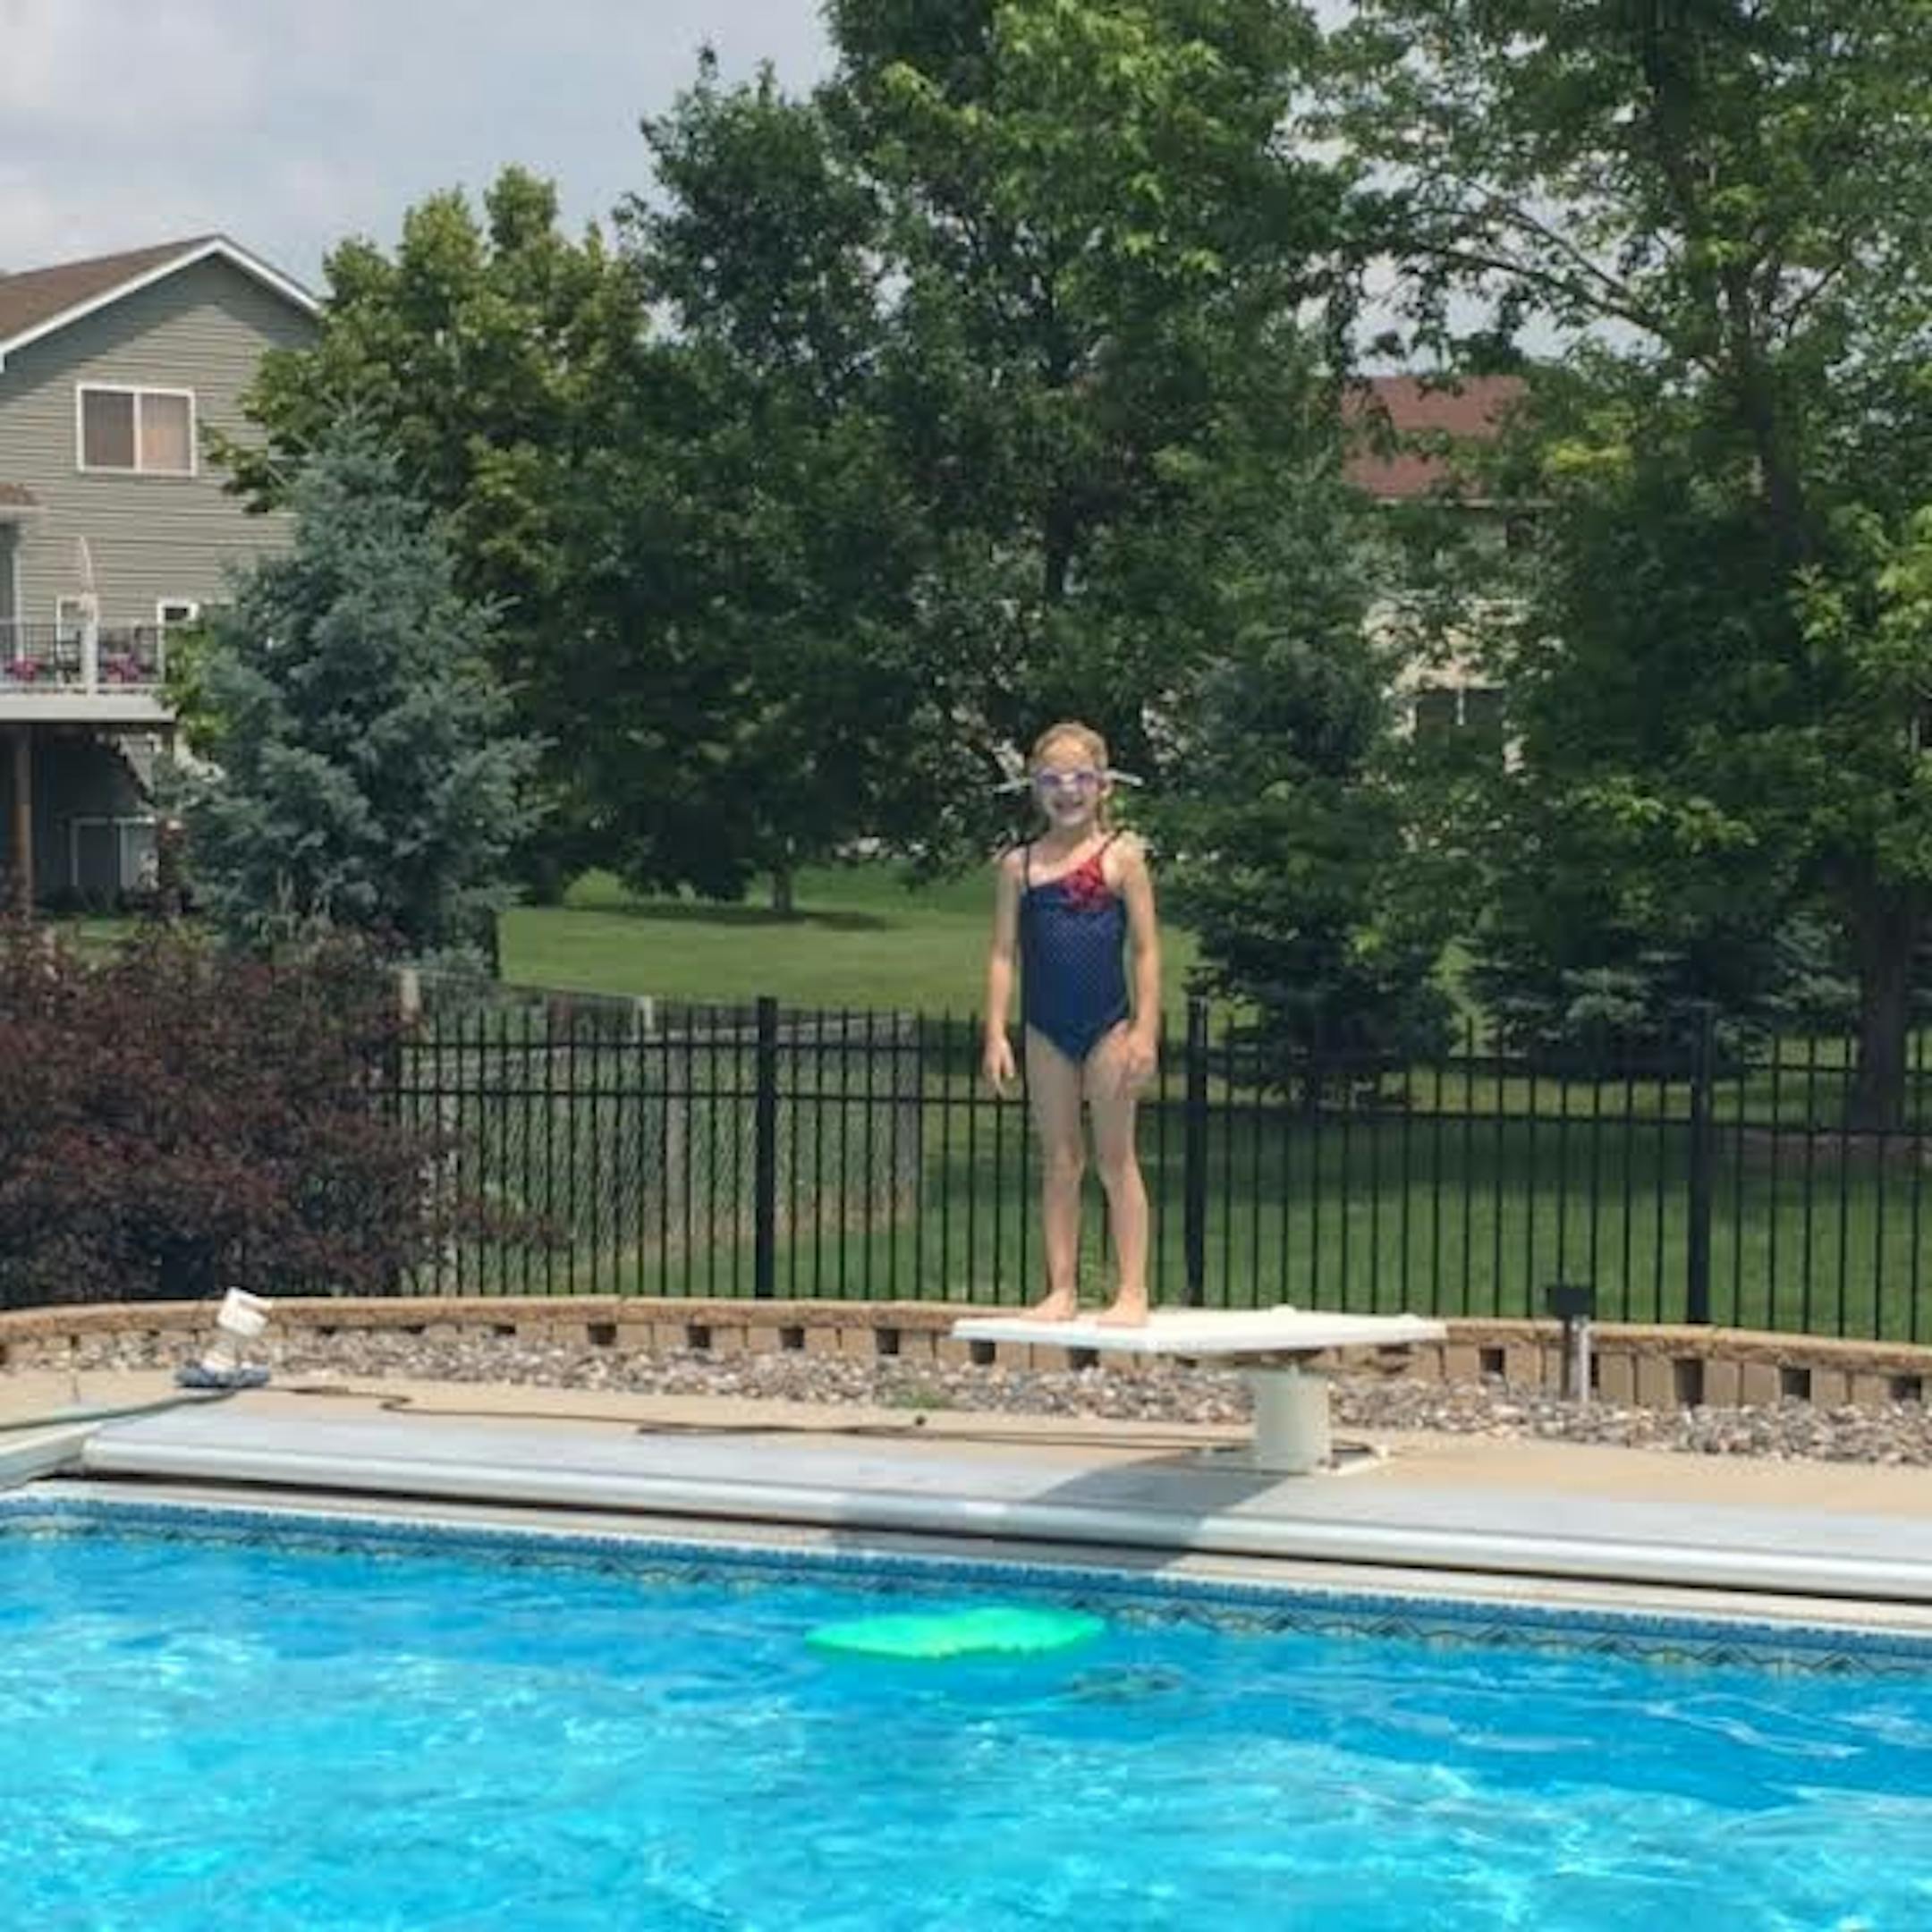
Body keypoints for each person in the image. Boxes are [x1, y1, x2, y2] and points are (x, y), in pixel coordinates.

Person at [982, 721, 1161, 1326]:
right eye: (1052, 779)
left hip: (1109, 1026)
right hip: (1045, 1029)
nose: (1067, 791)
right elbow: (1003, 954)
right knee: (1060, 1160)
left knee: (1116, 1158)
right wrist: (995, 1032)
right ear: (1034, 788)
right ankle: (1061, 1288)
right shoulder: (1020, 867)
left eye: (1080, 778)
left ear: (1103, 786)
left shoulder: (1122, 859)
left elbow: (1146, 951)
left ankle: (1131, 1290)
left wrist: (1145, 1031)